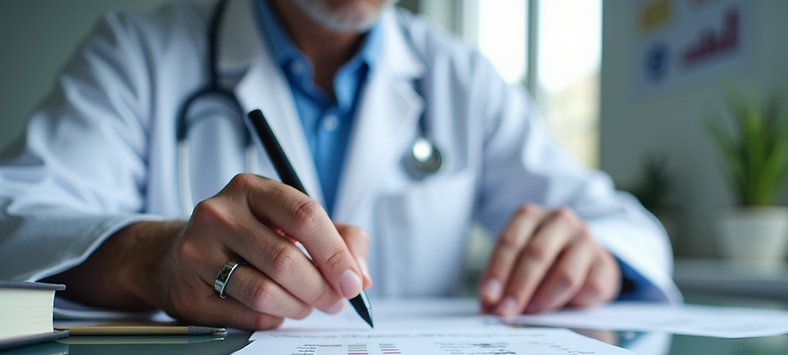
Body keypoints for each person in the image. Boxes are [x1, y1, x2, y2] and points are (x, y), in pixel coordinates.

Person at [0, 0, 679, 330]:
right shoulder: (139, 51)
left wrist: (593, 255)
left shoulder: (459, 78)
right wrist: (150, 257)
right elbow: (16, 218)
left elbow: (622, 226)